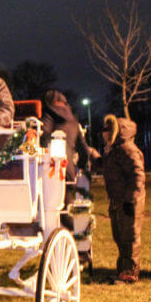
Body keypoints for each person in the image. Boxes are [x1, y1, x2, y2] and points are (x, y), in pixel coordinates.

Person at [40, 90, 100, 230]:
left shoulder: (48, 114)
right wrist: (81, 166)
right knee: (64, 208)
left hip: (50, 170)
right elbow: (83, 149)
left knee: (60, 211)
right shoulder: (73, 120)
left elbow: (43, 137)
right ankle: (82, 228)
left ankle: (81, 227)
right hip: (67, 171)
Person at [99, 114, 146, 284]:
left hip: (128, 202)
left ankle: (130, 273)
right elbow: (106, 167)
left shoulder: (127, 150)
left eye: (106, 130)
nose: (103, 133)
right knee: (120, 237)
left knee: (130, 237)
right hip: (117, 200)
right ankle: (122, 271)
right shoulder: (114, 150)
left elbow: (137, 176)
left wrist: (131, 200)